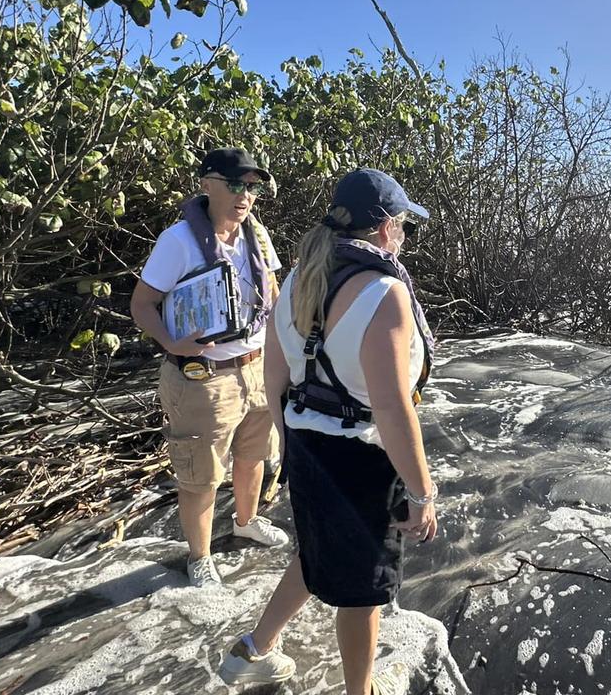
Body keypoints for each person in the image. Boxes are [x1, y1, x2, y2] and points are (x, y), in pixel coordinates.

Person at [218, 169, 438, 694]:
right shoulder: (384, 292)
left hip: (306, 444)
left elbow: (276, 378)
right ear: (384, 228)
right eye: (404, 224)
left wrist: (293, 449)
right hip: (360, 457)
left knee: (316, 549)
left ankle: (254, 649)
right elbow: (391, 406)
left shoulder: (298, 277)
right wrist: (421, 491)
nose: (404, 235)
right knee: (362, 594)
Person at [130, 148, 290, 587]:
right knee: (200, 472)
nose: (245, 196)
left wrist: (286, 353)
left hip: (256, 367)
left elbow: (273, 295)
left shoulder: (257, 236)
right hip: (203, 377)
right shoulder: (177, 241)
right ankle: (199, 557)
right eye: (236, 184)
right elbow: (142, 304)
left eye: (252, 187)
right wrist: (171, 342)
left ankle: (246, 521)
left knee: (255, 454)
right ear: (206, 184)